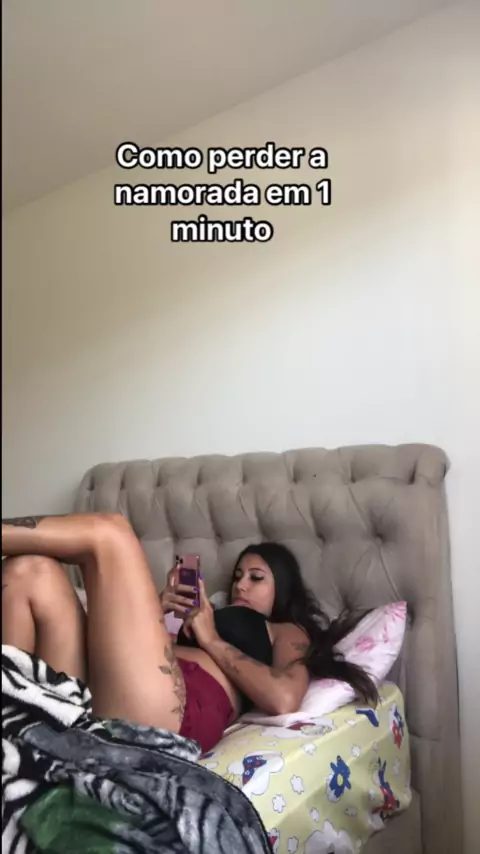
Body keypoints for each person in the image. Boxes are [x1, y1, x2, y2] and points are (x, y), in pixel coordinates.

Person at [1, 513, 377, 754]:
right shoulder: (204, 613)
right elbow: (138, 660)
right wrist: (158, 610)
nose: (241, 585)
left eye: (256, 578)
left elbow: (283, 698)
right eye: (237, 576)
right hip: (103, 693)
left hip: (173, 714)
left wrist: (211, 638)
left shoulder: (286, 630)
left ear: (283, 588)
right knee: (29, 571)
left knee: (112, 533)